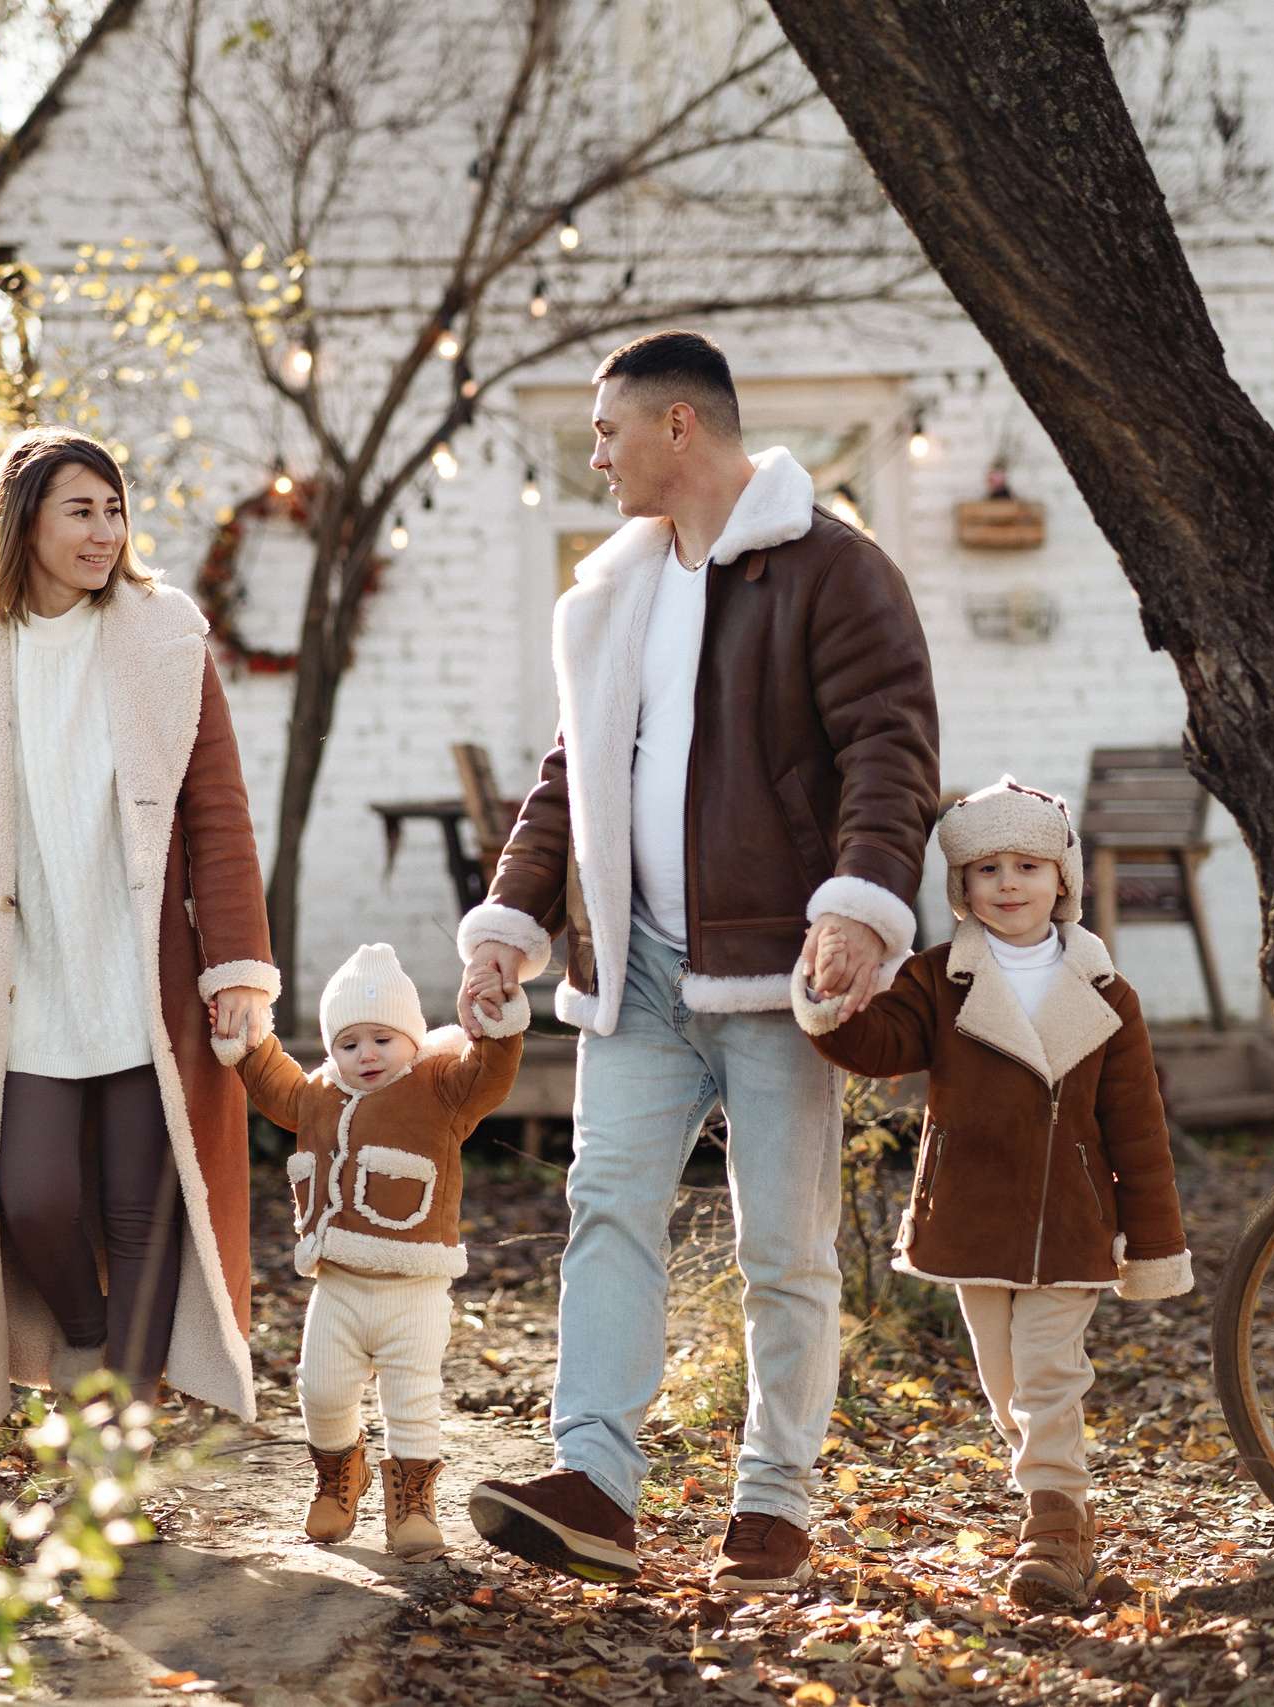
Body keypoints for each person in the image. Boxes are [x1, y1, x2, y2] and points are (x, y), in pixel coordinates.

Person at [455, 330, 940, 1589]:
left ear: (682, 428)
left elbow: (890, 744)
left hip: (782, 979)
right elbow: (567, 780)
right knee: (606, 1213)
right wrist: (510, 922)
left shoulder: (833, 568)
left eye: (609, 431)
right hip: (639, 977)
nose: (596, 454)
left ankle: (775, 1499)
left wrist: (860, 902)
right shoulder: (609, 588)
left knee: (785, 1250)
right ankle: (596, 1486)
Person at [0, 426, 281, 1438]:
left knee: (141, 1208)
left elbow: (218, 812)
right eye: (79, 510)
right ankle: (90, 1353)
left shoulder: (166, 641)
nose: (103, 531)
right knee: (26, 1196)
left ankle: (118, 1428)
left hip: (143, 975)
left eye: (113, 510)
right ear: (24, 522)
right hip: (21, 975)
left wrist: (236, 965)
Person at [791, 777, 1192, 1612]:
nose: (1008, 884)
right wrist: (833, 1005)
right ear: (962, 888)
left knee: (1050, 1372)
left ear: (1062, 880)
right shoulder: (941, 980)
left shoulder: (1108, 993)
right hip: (973, 1213)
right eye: (986, 869)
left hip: (1073, 1222)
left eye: (1028, 865)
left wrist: (1153, 1241)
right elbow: (884, 1043)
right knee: (1006, 1381)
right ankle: (1051, 1489)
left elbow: (1138, 1129)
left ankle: (1056, 1522)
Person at [233, 943, 529, 1558]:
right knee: (320, 1391)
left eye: (382, 1039)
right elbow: (273, 1086)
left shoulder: (441, 1088)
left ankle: (413, 1502)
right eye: (348, 1043)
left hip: (414, 1291)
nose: (365, 1055)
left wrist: (497, 1029)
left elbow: (491, 1076)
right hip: (337, 1286)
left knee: (412, 1399)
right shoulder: (317, 1094)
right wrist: (251, 1045)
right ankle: (340, 1475)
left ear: (413, 1040)